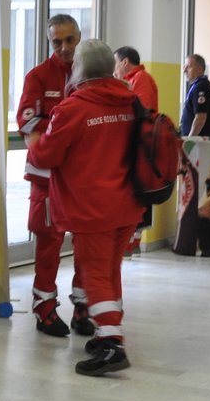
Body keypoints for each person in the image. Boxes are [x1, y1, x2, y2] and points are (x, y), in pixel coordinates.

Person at [27, 41, 140, 377]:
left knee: (95, 274)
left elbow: (45, 155)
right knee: (110, 270)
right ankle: (108, 330)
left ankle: (111, 344)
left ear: (81, 68)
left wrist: (34, 148)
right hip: (128, 204)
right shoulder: (130, 100)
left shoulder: (73, 108)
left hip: (94, 208)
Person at [17, 14, 87, 336]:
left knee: (87, 243)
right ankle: (44, 309)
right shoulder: (38, 76)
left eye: (69, 40)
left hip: (83, 177)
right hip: (46, 177)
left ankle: (84, 309)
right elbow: (28, 125)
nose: (63, 47)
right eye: (56, 42)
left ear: (79, 37)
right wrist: (59, 138)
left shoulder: (90, 74)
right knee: (49, 243)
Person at [114, 45, 159, 256]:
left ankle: (132, 242)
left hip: (140, 147)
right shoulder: (132, 80)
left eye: (116, 63)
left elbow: (144, 111)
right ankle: (130, 241)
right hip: (133, 145)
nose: (114, 69)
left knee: (138, 194)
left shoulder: (140, 79)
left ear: (124, 62)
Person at [180, 53, 210, 137]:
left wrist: (190, 140)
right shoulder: (198, 85)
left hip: (202, 143)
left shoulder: (201, 88)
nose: (184, 70)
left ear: (199, 69)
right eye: (184, 67)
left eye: (188, 67)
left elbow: (200, 118)